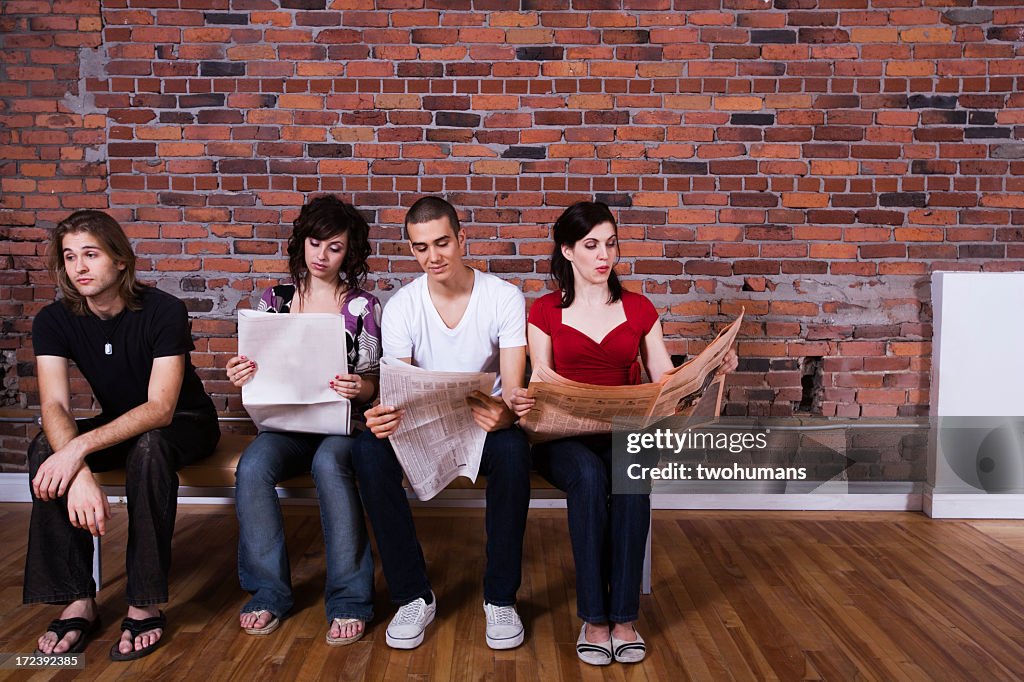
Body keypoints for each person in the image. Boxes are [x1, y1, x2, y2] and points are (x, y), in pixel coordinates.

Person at [510, 201, 737, 666]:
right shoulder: (545, 311)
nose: (603, 256)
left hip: (625, 433)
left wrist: (710, 370)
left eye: (610, 244)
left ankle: (625, 619)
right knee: (590, 479)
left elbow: (662, 378)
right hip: (561, 440)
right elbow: (541, 379)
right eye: (591, 245)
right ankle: (594, 619)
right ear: (568, 251)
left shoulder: (638, 307)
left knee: (630, 478)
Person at [25, 210, 221, 661]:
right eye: (70, 257)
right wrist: (76, 470)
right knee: (43, 449)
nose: (80, 267)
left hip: (183, 423)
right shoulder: (54, 320)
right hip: (121, 425)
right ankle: (76, 597)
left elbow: (160, 409)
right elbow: (53, 406)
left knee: (149, 450)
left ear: (119, 260)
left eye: (90, 254)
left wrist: (78, 450)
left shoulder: (164, 311)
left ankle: (144, 599)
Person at [351, 196, 531, 650]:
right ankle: (413, 595)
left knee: (513, 450)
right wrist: (385, 414)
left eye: (442, 243)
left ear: (462, 239)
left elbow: (512, 388)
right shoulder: (403, 306)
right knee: (368, 450)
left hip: (482, 428)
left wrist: (505, 413)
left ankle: (500, 598)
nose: (433, 257)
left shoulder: (504, 297)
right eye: (420, 248)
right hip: (423, 428)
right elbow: (400, 386)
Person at [225, 196, 380, 645]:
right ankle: (268, 590)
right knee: (252, 467)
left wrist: (360, 387)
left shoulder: (361, 307)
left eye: (334, 247)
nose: (322, 256)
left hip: (340, 425)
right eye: (315, 243)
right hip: (283, 426)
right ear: (301, 244)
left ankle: (350, 599)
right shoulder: (273, 300)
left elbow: (374, 381)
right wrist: (241, 373)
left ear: (348, 253)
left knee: (330, 466)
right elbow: (254, 367)